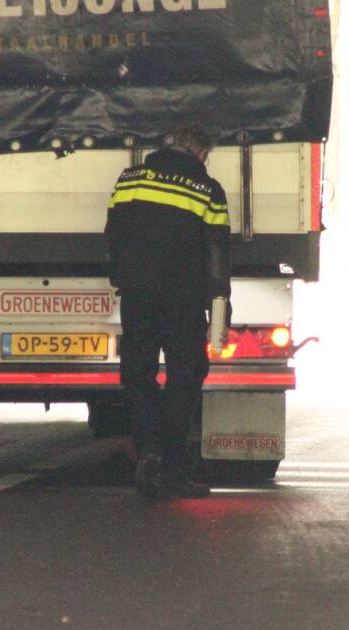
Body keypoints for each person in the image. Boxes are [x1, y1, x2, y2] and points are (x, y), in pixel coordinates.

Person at [104, 125, 231, 499]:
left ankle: (149, 451)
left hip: (137, 296)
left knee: (138, 374)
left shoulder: (130, 179)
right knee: (186, 376)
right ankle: (174, 468)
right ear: (198, 151)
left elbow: (113, 232)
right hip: (183, 301)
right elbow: (217, 252)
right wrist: (220, 300)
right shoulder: (207, 190)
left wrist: (123, 276)